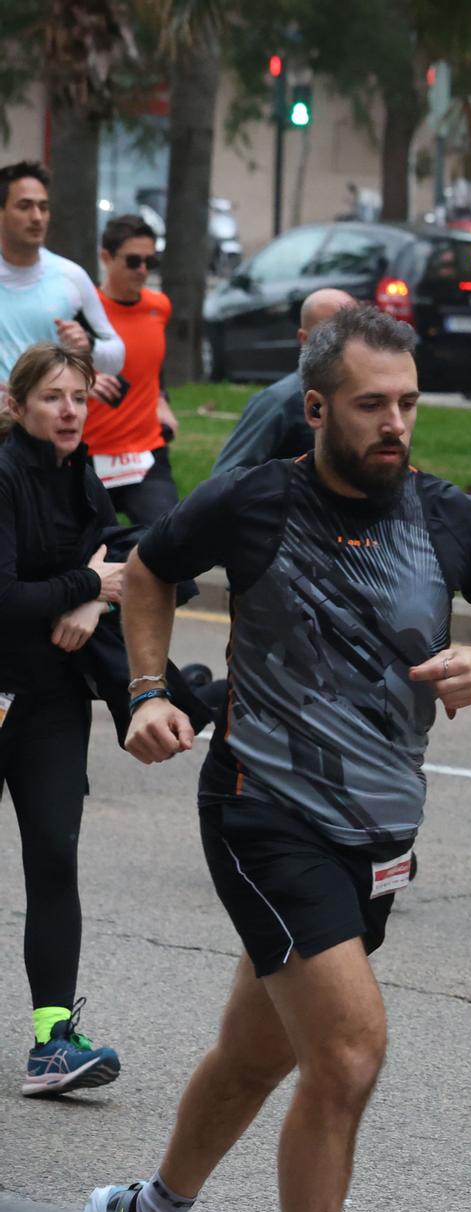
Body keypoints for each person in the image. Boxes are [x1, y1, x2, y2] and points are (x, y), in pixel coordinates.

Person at [85, 304, 471, 1212]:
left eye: (408, 404)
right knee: (347, 1056)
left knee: (256, 1052)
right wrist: (146, 691)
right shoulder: (257, 500)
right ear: (315, 408)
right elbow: (148, 570)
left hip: (381, 833)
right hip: (262, 808)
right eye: (370, 405)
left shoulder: (447, 517)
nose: (395, 424)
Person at [2, 342, 126, 1096]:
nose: (70, 409)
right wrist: (86, 582)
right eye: (52, 396)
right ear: (17, 406)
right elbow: (6, 595)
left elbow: (124, 553)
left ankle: (53, 1039)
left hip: (50, 701)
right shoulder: (6, 474)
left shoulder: (80, 474)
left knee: (54, 858)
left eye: (78, 395)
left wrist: (91, 596)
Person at [84, 214, 178, 527]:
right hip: (89, 456)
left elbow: (151, 364)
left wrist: (161, 399)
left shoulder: (159, 306)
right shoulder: (84, 310)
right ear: (106, 257)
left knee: (171, 551)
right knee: (84, 558)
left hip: (145, 453)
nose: (142, 270)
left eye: (150, 261)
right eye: (134, 260)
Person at [0, 161, 124, 385]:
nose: (37, 217)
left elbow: (116, 358)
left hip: (49, 418)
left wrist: (89, 345)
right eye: (24, 206)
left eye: (43, 207)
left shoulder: (70, 276)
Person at [213, 289, 359, 473]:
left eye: (354, 333)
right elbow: (225, 479)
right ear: (304, 340)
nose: (347, 344)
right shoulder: (280, 401)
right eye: (333, 335)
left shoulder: (372, 397)